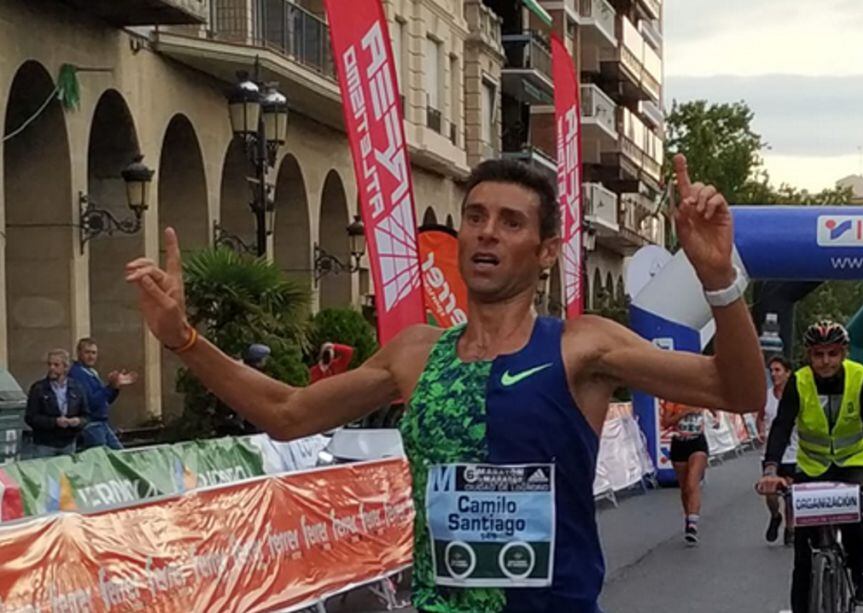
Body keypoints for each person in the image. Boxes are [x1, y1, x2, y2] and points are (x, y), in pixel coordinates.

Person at [125, 156, 766, 613]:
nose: (487, 231)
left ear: (546, 252)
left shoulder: (581, 346)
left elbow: (738, 391)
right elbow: (288, 413)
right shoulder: (415, 353)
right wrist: (184, 340)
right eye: (476, 216)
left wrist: (718, 281)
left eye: (511, 222)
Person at [756, 321, 863, 612]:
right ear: (809, 355)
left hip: (853, 462)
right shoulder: (799, 381)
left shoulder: (862, 378)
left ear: (843, 353)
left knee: (854, 523)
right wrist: (770, 470)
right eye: (818, 355)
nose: (825, 361)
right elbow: (781, 427)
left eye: (832, 353)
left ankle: (860, 574)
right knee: (803, 552)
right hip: (812, 465)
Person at [69, 337, 136, 450]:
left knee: (120, 455)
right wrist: (109, 387)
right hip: (91, 425)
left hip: (102, 423)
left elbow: (106, 401)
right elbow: (90, 402)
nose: (91, 356)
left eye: (94, 353)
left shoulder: (91, 372)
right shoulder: (77, 374)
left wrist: (115, 387)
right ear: (79, 353)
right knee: (105, 459)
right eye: (87, 352)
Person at [757, 355, 797, 545]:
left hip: (793, 452)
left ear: (788, 373)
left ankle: (790, 529)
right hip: (770, 454)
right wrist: (761, 431)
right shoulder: (766, 396)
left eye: (778, 370)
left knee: (790, 494)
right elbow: (760, 417)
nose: (773, 374)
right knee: (770, 494)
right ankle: (775, 516)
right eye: (771, 370)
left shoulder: (797, 396)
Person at [660, 400, 711, 546]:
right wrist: (684, 413)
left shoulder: (699, 395)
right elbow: (666, 422)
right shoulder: (672, 400)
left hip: (697, 442)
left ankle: (693, 524)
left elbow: (714, 402)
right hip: (679, 443)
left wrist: (715, 418)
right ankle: (688, 518)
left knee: (692, 482)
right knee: (685, 488)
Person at [24, 349, 90, 458]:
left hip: (68, 443)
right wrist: (54, 422)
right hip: (45, 444)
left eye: (56, 365)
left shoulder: (77, 388)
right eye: (49, 364)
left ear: (66, 367)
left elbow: (86, 415)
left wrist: (78, 421)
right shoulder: (39, 389)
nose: (52, 368)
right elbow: (30, 417)